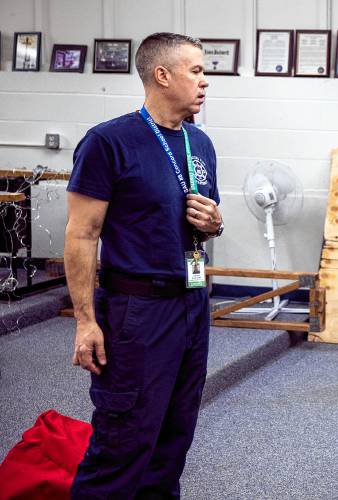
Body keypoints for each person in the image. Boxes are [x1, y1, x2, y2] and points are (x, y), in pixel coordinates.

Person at [64, 32, 223, 498]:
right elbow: (81, 235)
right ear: (162, 75)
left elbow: (205, 221)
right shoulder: (108, 142)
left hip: (192, 305)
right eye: (195, 71)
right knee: (123, 442)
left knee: (174, 441)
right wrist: (84, 321)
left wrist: (215, 222)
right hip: (136, 310)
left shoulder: (201, 143)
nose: (204, 82)